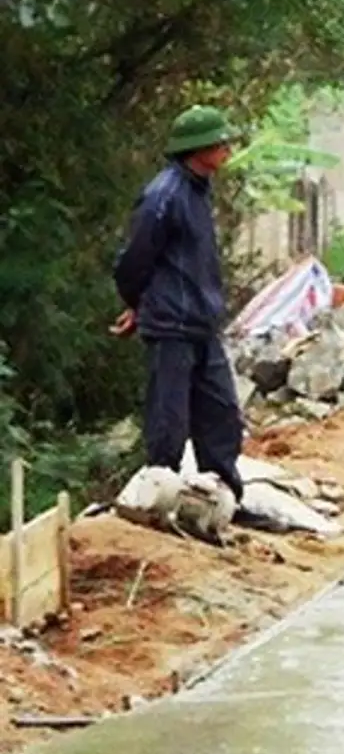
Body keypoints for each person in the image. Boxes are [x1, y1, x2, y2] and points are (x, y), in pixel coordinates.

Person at [111, 105, 248, 506]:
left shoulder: (198, 191)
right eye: (220, 142)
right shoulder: (162, 197)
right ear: (198, 148)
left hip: (203, 324)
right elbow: (134, 260)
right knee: (168, 422)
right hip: (171, 325)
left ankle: (223, 502)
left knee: (222, 416)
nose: (226, 149)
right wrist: (138, 304)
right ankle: (160, 501)